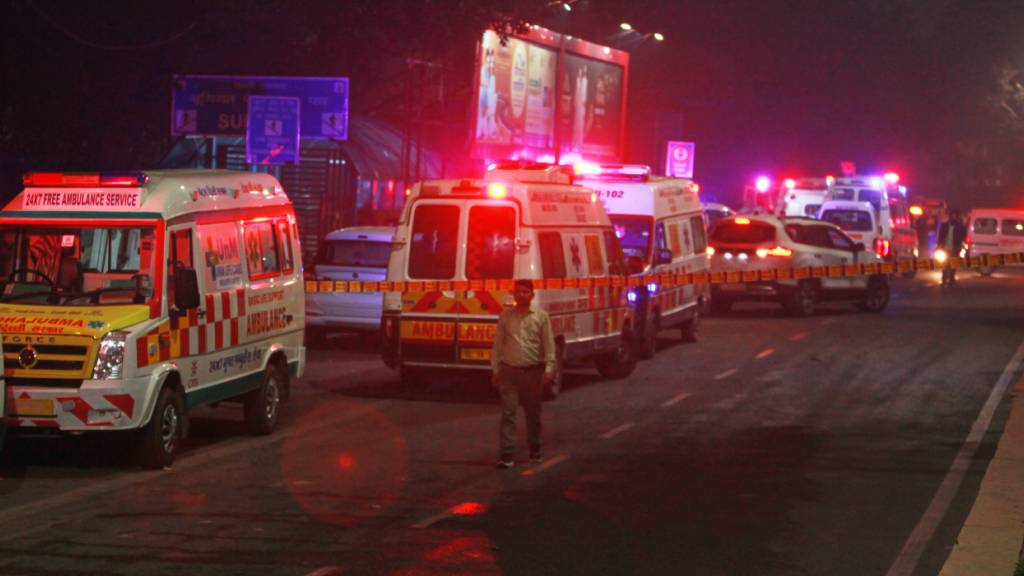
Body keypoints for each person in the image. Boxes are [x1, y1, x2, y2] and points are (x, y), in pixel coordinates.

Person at [492, 279, 556, 469]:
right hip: (509, 372)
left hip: (532, 372)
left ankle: (535, 450)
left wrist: (549, 369)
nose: (521, 295)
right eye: (518, 292)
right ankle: (507, 455)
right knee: (508, 413)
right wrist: (495, 369)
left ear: (532, 295)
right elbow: (497, 346)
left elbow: (549, 345)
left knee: (533, 414)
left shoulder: (541, 317)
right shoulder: (505, 317)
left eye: (525, 292)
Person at [938, 208, 967, 286]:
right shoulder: (944, 225)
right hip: (945, 248)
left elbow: (964, 235)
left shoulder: (960, 226)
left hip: (955, 248)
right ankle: (944, 278)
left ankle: (951, 278)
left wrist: (961, 246)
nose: (953, 217)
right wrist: (939, 246)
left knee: (953, 263)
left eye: (954, 216)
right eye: (952, 215)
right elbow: (940, 237)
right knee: (945, 263)